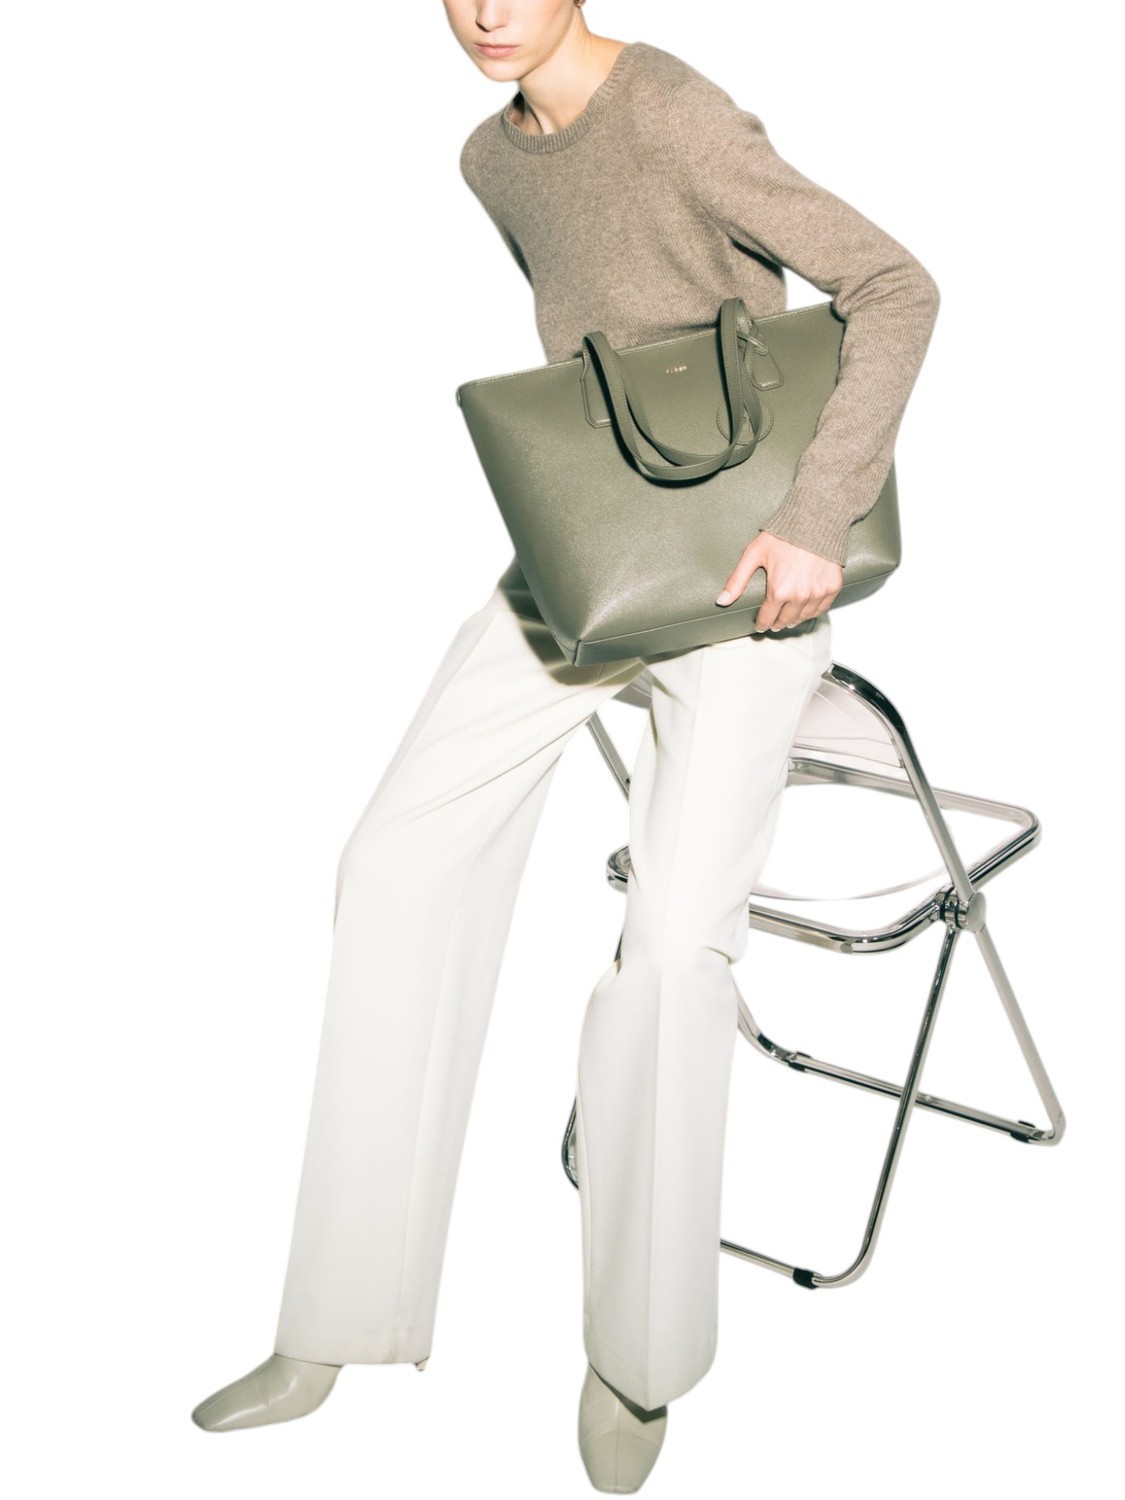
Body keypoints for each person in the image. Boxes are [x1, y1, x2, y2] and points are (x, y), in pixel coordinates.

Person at [191, 2, 940, 1491]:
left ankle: (636, 1363)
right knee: (393, 865)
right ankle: (337, 1315)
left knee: (668, 951)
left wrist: (816, 516)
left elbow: (893, 285)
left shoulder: (668, 110)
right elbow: (610, 374)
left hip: (750, 574)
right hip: (598, 555)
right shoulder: (490, 157)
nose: (485, 11)